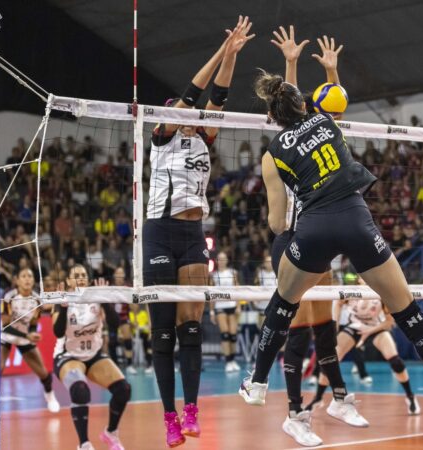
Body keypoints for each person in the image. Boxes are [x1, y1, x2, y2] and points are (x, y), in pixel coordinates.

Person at [240, 58, 423, 422]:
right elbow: (335, 98)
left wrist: (288, 233)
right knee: (408, 312)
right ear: (304, 104)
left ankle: (256, 384)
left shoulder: (272, 155)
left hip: (313, 227)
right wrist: (327, 69)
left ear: (272, 117)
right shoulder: (326, 120)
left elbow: (274, 222)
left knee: (282, 304)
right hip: (355, 220)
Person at [141, 17, 253, 447]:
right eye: (180, 112)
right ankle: (168, 416)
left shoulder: (205, 136)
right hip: (158, 233)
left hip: (192, 235)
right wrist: (219, 52)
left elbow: (218, 95)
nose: (187, 115)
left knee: (191, 327)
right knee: (163, 333)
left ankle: (191, 409)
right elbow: (191, 95)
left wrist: (233, 53)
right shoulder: (161, 139)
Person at [259, 27, 368, 447]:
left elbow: (325, 112)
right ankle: (294, 413)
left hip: (318, 233)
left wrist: (330, 73)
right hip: (292, 239)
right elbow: (295, 105)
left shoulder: (312, 131)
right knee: (300, 330)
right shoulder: (277, 150)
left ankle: (338, 398)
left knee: (325, 325)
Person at [53, 265, 131, 450]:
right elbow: (57, 332)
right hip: (68, 356)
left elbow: (115, 325)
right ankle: (84, 444)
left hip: (94, 355)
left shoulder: (96, 298)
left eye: (83, 275)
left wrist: (104, 300)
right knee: (80, 390)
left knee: (123, 390)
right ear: (69, 281)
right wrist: (64, 307)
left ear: (88, 280)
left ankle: (110, 433)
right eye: (76, 275)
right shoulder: (63, 300)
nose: (80, 278)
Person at [308, 296, 421, 417]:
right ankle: (318, 398)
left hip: (375, 327)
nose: (364, 276)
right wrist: (333, 331)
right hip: (354, 327)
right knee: (330, 361)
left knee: (396, 363)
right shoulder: (351, 292)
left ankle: (410, 396)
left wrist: (369, 331)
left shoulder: (379, 293)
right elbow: (338, 305)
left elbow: (389, 322)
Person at [1, 267, 60, 413]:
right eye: (24, 276)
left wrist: (33, 333)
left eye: (30, 276)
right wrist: (27, 335)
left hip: (24, 338)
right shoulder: (9, 297)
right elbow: (6, 325)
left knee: (44, 373)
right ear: (17, 280)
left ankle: (50, 396)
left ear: (33, 281)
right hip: (7, 336)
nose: (27, 279)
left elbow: (33, 323)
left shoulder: (37, 300)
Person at [209, 251, 242, 373]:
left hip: (232, 305)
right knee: (225, 334)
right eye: (219, 259)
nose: (221, 261)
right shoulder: (213, 275)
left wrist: (238, 306)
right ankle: (228, 361)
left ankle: (233, 360)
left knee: (233, 335)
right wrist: (212, 311)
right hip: (220, 306)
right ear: (217, 261)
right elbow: (211, 294)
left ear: (227, 260)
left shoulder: (233, 273)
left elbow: (237, 290)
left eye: (223, 258)